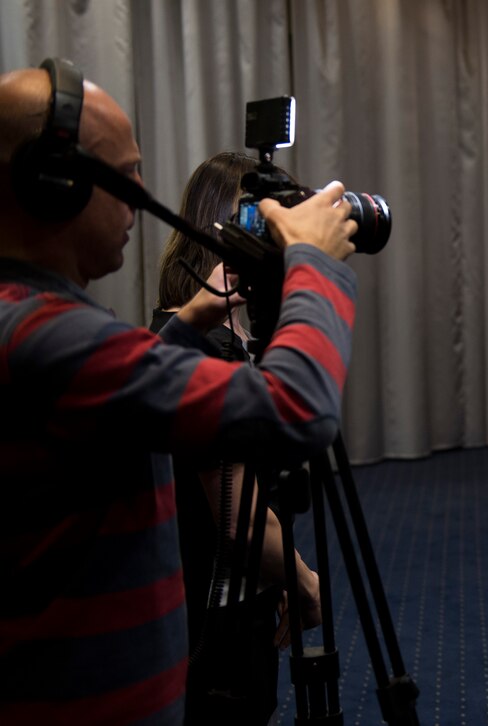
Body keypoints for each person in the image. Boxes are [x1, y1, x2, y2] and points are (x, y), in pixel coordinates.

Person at [0, 59, 357, 723]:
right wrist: (315, 263)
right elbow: (296, 411)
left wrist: (187, 320)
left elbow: (110, 421)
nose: (142, 192)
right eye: (127, 173)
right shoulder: (53, 338)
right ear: (57, 183)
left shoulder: (23, 316)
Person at [151, 152, 322, 724]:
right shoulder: (206, 351)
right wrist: (303, 582)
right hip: (216, 630)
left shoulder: (168, 330)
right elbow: (243, 525)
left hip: (199, 613)